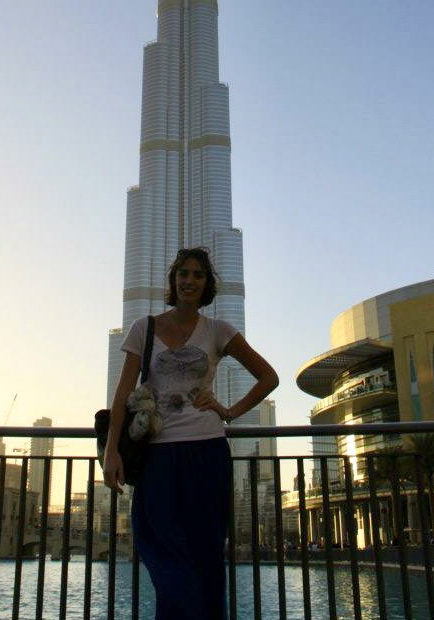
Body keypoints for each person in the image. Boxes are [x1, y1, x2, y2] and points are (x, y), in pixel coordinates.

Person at [103, 247, 279, 620]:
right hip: (157, 453)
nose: (190, 280)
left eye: (198, 275)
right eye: (183, 273)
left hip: (208, 451)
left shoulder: (218, 330)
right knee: (157, 542)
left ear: (206, 284)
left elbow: (268, 377)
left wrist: (229, 412)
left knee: (207, 551)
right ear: (173, 280)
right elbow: (122, 393)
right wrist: (111, 451)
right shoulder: (144, 328)